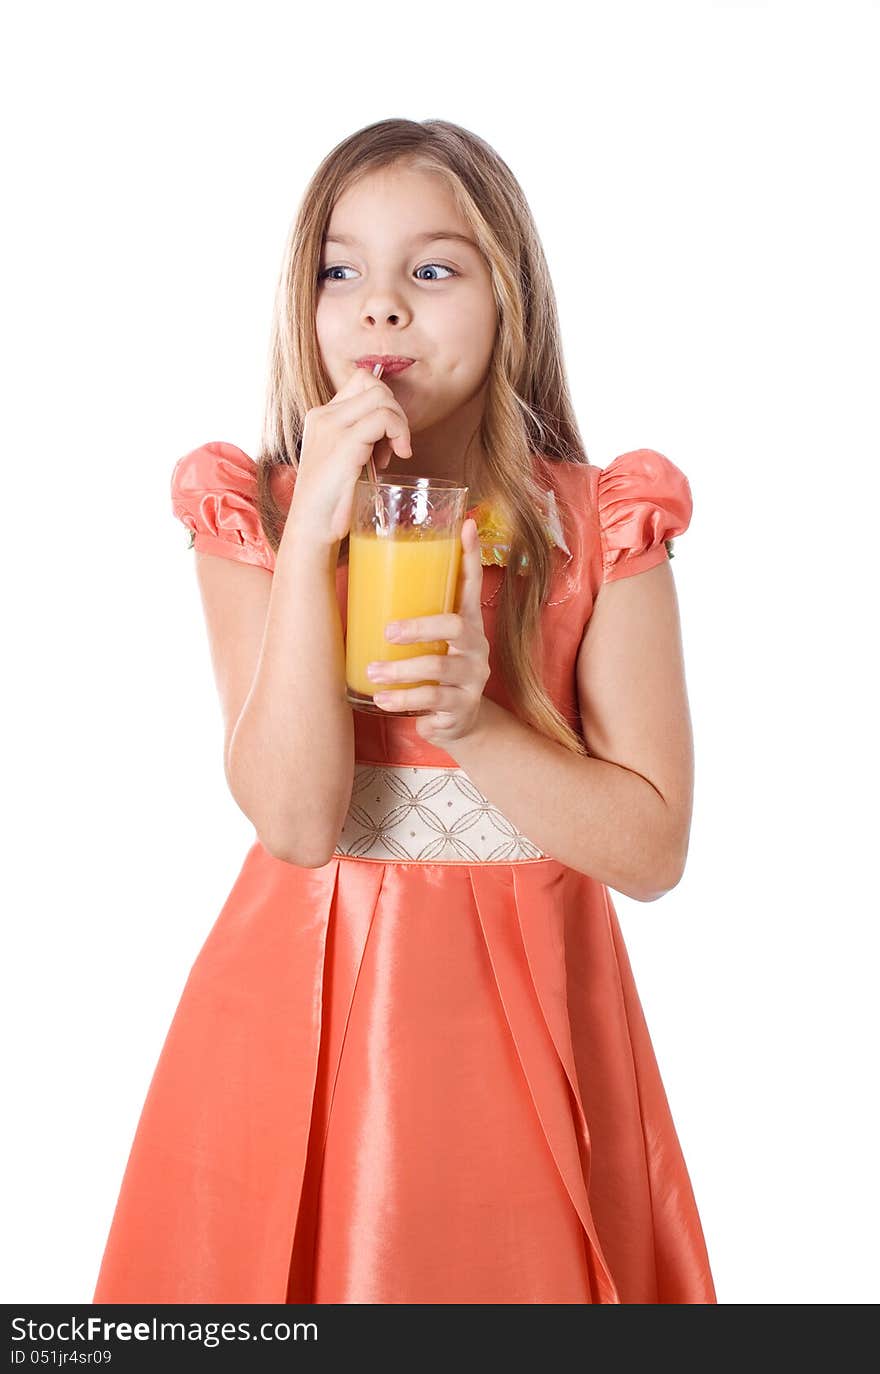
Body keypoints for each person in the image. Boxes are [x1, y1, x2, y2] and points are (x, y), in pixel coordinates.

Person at [92, 117, 716, 1305]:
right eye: (343, 270)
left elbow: (652, 851)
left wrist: (480, 724)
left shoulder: (597, 525)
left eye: (431, 269)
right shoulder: (257, 515)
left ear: (508, 297)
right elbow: (294, 821)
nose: (381, 307)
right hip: (294, 1020)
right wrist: (313, 533)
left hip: (524, 1015)